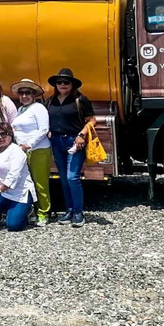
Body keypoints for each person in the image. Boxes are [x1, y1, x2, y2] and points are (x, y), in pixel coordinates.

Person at [46, 68, 95, 227]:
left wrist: (82, 134)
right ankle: (69, 210)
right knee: (63, 179)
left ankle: (79, 212)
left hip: (75, 141)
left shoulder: (81, 100)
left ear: (72, 84)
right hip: (56, 141)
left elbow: (92, 120)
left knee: (72, 177)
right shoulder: (49, 101)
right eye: (59, 82)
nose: (62, 84)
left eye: (66, 82)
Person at [11, 78, 53, 226]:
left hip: (38, 150)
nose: (24, 96)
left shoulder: (38, 108)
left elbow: (44, 129)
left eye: (28, 92)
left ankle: (44, 213)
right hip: (22, 151)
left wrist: (29, 144)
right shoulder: (21, 109)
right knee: (27, 183)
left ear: (34, 94)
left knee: (40, 183)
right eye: (21, 93)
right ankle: (32, 211)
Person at [0, 123, 38, 231]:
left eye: (3, 134)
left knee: (14, 226)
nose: (0, 137)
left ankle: (28, 210)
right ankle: (7, 211)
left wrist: (0, 189)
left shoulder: (17, 151)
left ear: (10, 135)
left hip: (20, 192)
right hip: (5, 193)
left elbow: (13, 174)